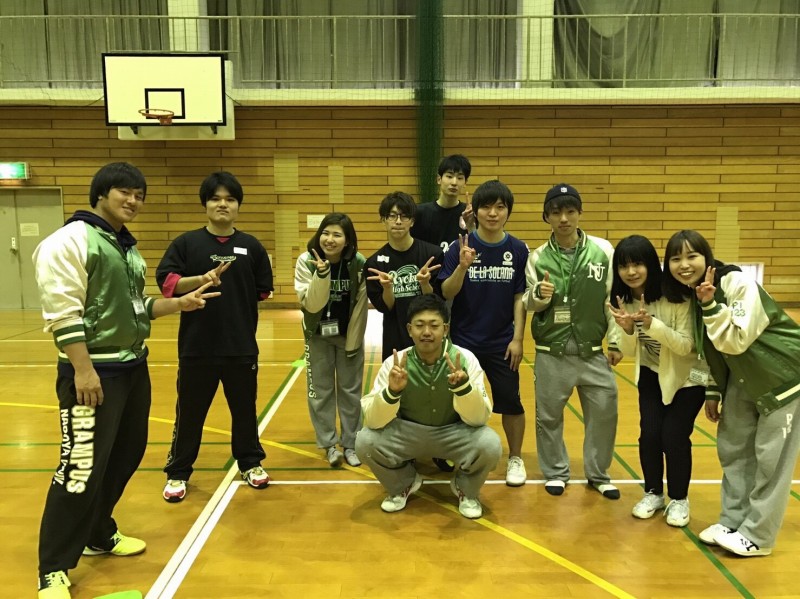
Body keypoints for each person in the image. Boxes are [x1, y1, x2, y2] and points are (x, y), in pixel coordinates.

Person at [33, 162, 218, 599]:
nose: (133, 201)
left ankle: (98, 531)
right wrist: (83, 370)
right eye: (124, 192)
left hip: (132, 368)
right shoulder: (70, 241)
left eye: (139, 195)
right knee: (79, 467)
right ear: (101, 193)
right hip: (92, 374)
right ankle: (53, 567)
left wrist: (180, 303)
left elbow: (136, 306)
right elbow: (62, 312)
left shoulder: (126, 248)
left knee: (126, 453)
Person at [664, 230, 800, 557]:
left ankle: (758, 536)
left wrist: (711, 305)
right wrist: (713, 390)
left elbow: (736, 341)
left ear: (707, 257)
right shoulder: (696, 295)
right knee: (733, 449)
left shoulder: (738, 284)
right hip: (742, 381)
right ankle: (733, 522)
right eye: (676, 258)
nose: (684, 265)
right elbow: (711, 349)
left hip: (782, 379)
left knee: (771, 461)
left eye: (692, 256)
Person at [156, 171, 274, 503]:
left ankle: (250, 463)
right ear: (205, 204)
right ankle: (178, 471)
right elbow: (167, 284)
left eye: (230, 199)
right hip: (196, 348)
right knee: (190, 414)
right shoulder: (186, 243)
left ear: (238, 206)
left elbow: (262, 290)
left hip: (241, 347)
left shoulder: (251, 246)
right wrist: (200, 279)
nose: (223, 204)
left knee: (244, 411)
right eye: (215, 199)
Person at [355, 294, 502, 519]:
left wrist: (463, 388)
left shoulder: (465, 359)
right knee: (365, 441)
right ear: (409, 329)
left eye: (434, 325)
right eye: (419, 325)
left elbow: (479, 419)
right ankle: (403, 483)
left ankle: (466, 489)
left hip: (453, 433)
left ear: (445, 329)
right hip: (408, 434)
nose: (426, 332)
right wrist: (392, 392)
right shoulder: (395, 363)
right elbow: (373, 421)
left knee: (490, 444)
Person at [523, 183, 622, 499]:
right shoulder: (537, 257)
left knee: (605, 412)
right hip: (551, 352)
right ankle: (556, 472)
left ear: (579, 213)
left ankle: (598, 474)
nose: (563, 219)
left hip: (592, 351)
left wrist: (616, 342)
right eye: (556, 213)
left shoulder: (603, 251)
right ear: (547, 217)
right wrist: (539, 295)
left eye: (569, 211)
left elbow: (612, 299)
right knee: (548, 416)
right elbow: (527, 301)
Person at [608, 235, 707, 527]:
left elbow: (686, 346)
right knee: (649, 435)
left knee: (673, 436)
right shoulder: (623, 299)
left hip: (688, 378)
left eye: (637, 264)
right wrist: (628, 330)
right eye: (624, 266)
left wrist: (652, 325)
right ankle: (653, 493)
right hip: (651, 374)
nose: (631, 272)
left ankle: (679, 498)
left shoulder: (676, 296)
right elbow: (629, 351)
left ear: (651, 264)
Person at [439, 180, 529, 487]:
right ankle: (460, 455)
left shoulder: (517, 249)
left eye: (500, 207)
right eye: (486, 207)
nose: (493, 213)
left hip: (502, 343)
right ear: (475, 211)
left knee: (511, 402)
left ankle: (515, 458)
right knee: (460, 402)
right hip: (464, 342)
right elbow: (446, 291)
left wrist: (518, 339)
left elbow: (520, 297)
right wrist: (462, 267)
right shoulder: (459, 246)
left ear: (508, 212)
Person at [294, 213, 368, 468]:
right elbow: (312, 304)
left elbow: (361, 306)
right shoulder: (306, 261)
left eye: (337, 234)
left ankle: (351, 444)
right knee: (320, 392)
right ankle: (328, 445)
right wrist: (322, 275)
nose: (330, 239)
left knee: (351, 392)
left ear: (347, 240)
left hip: (348, 336)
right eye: (326, 233)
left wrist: (355, 340)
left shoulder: (358, 263)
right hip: (317, 337)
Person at [364, 191, 443, 361]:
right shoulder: (374, 264)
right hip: (395, 337)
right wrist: (387, 288)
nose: (398, 221)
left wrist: (425, 283)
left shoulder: (432, 255)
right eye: (392, 216)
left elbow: (436, 302)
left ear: (412, 221)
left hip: (428, 337)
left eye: (404, 216)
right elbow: (385, 308)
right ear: (384, 220)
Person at [410, 153, 474, 253]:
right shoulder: (420, 212)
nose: (454, 182)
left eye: (460, 178)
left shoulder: (469, 214)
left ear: (465, 182)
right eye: (449, 176)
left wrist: (471, 227)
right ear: (439, 179)